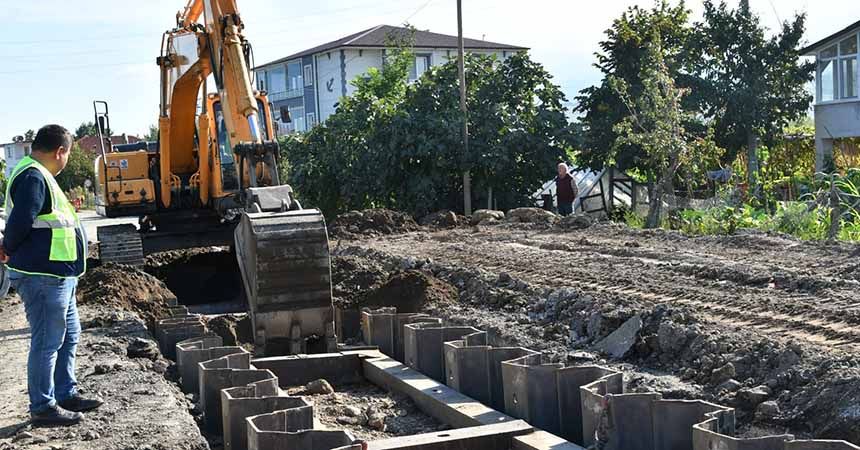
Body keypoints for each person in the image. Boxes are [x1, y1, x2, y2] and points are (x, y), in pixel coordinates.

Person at [0, 125, 102, 426]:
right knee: (47, 340)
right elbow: (21, 221)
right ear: (60, 151)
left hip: (58, 275)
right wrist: (7, 248)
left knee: (69, 336)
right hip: (42, 276)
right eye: (67, 154)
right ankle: (43, 406)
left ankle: (64, 393)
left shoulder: (40, 175)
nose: (66, 160)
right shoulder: (33, 176)